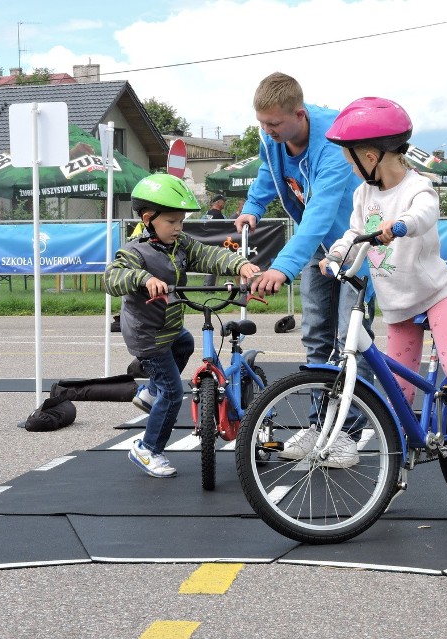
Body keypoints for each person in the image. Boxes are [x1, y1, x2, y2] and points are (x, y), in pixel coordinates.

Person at [318, 96, 447, 496]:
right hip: (397, 305)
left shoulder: (418, 187)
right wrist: (336, 255)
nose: (349, 166)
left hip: (436, 296)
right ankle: (397, 469)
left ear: (371, 155)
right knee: (396, 390)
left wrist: (401, 225)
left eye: (351, 159)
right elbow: (353, 235)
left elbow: (424, 214)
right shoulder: (362, 195)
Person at [234, 72, 374, 468]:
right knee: (316, 334)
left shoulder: (333, 141)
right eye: (262, 123)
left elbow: (320, 212)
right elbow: (269, 171)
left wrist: (282, 267)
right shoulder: (272, 136)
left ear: (299, 113)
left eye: (274, 124)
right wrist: (252, 207)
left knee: (351, 336)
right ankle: (320, 424)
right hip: (318, 245)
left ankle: (348, 434)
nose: (267, 130)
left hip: (356, 243)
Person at [104, 174, 259, 478]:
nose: (178, 228)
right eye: (172, 221)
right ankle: (147, 449)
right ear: (149, 219)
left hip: (171, 329)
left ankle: (150, 391)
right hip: (147, 336)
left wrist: (239, 264)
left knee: (186, 343)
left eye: (181, 222)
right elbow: (112, 277)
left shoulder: (180, 244)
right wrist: (144, 279)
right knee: (174, 394)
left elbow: (208, 254)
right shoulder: (134, 252)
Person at [203, 194, 227, 285]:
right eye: (223, 201)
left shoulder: (207, 214)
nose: (224, 203)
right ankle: (209, 287)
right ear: (218, 202)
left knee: (208, 264)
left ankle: (208, 286)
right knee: (213, 264)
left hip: (206, 242)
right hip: (216, 244)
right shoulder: (219, 216)